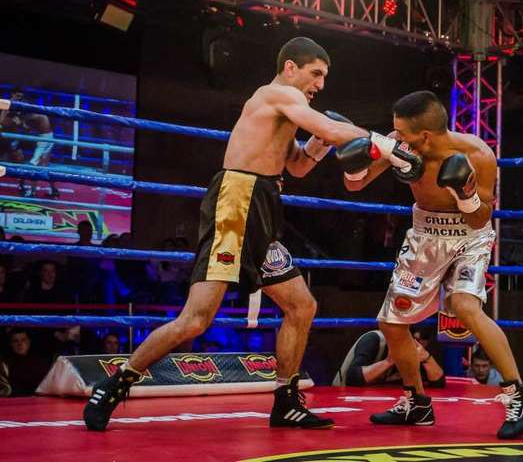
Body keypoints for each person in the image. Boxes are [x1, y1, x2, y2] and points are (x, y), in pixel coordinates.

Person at [82, 37, 421, 431]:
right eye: (316, 73)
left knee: (301, 306)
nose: (321, 84)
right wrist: (387, 145)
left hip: (261, 206)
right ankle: (114, 385)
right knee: (196, 319)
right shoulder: (276, 94)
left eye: (324, 77)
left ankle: (286, 401)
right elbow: (329, 125)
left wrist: (318, 145)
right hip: (237, 204)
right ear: (290, 67)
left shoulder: (288, 111)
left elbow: (296, 167)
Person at [340, 90, 523, 439]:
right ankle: (417, 403)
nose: (396, 137)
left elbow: (481, 218)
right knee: (392, 322)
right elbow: (354, 185)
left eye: (403, 133)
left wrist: (465, 194)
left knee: (464, 305)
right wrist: (355, 164)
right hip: (424, 237)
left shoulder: (477, 155)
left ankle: (520, 394)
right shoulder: (400, 145)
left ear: (425, 136)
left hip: (469, 237)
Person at [332, 327, 444, 387]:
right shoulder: (374, 339)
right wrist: (389, 361)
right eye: (415, 340)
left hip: (380, 398)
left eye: (422, 343)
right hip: (347, 396)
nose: (417, 345)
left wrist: (427, 358)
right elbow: (353, 378)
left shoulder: (418, 351)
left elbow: (438, 382)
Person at [0, 87, 59, 198]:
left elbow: (25, 125)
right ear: (12, 94)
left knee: (33, 166)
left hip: (45, 140)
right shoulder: (13, 108)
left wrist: (17, 120)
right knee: (44, 166)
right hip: (38, 138)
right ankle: (54, 190)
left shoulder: (28, 110)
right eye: (17, 96)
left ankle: (32, 191)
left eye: (21, 97)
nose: (19, 99)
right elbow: (21, 126)